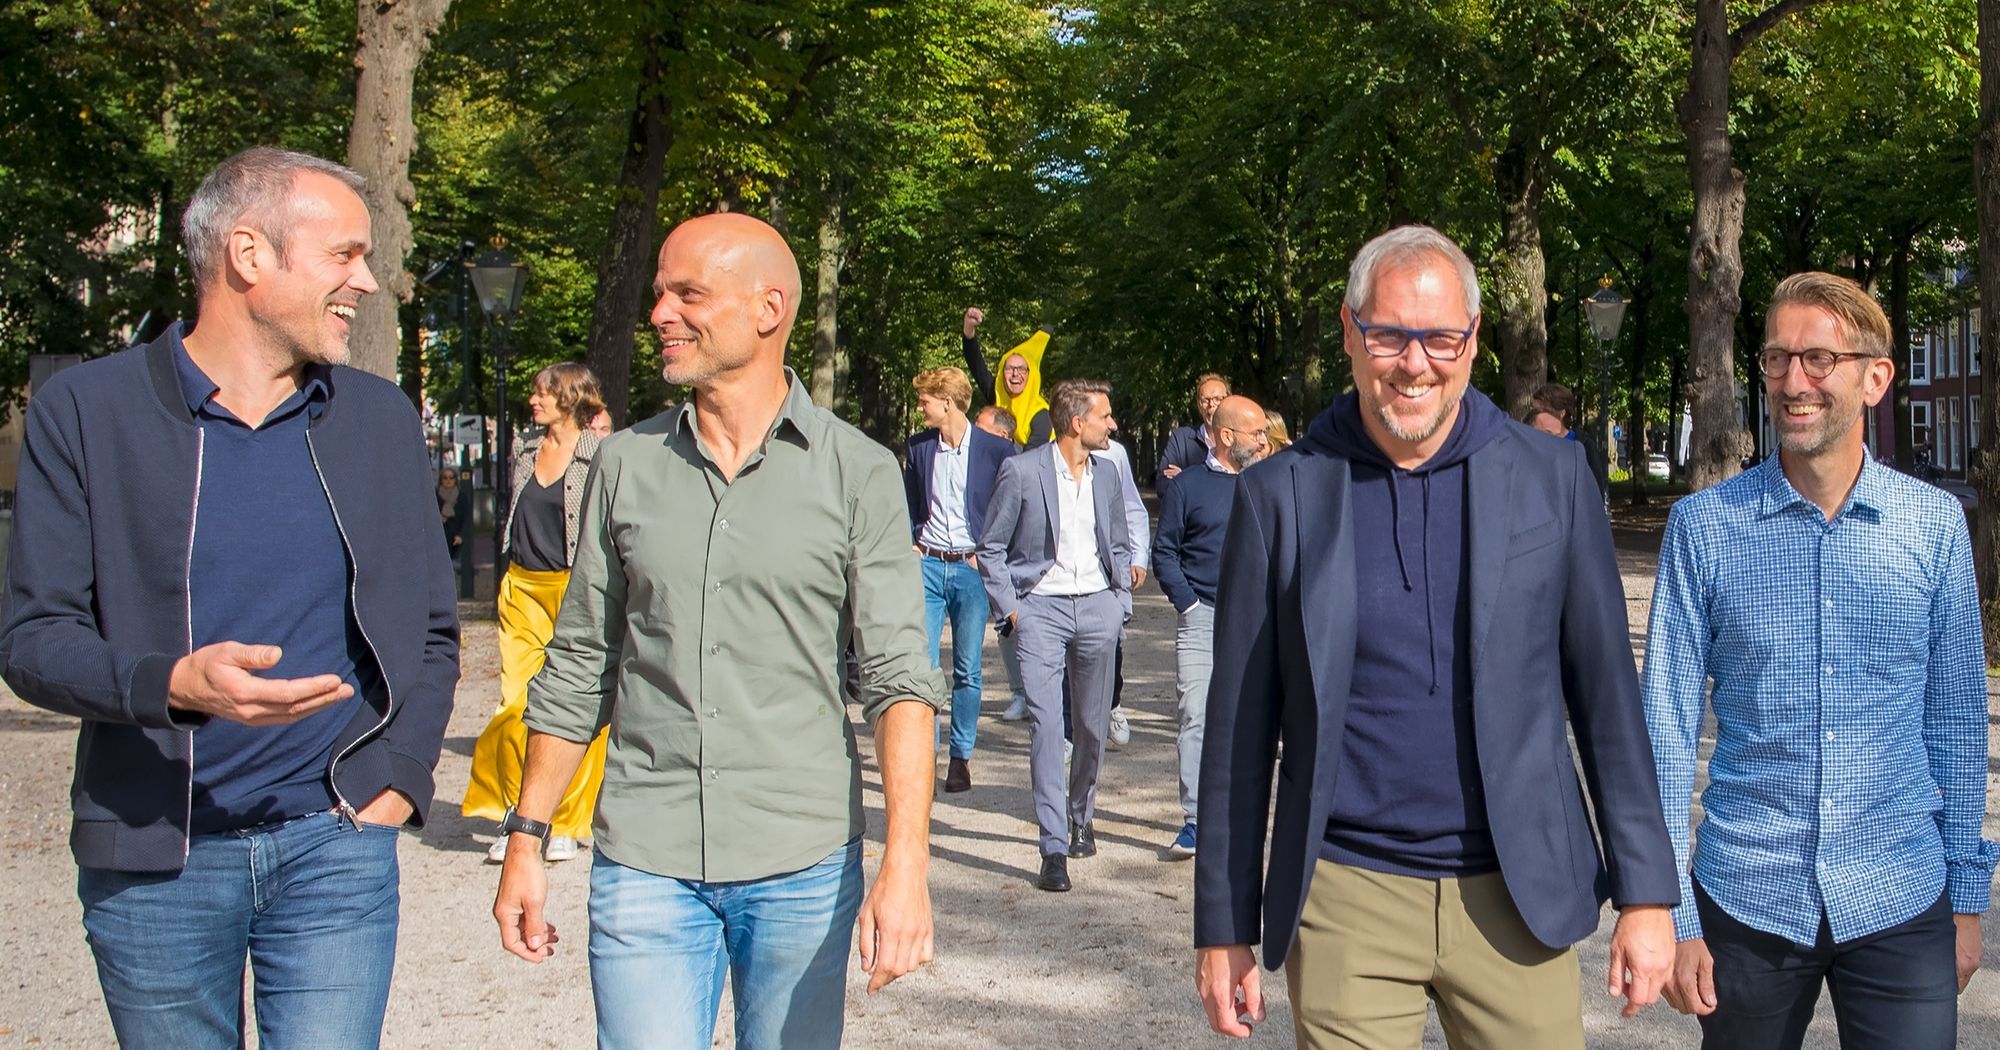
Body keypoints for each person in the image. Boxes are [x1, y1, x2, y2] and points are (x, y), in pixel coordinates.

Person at [0, 146, 459, 1047]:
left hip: (335, 845)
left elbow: (433, 632)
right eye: (344, 255)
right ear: (248, 254)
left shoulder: (379, 419)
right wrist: (173, 684)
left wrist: (400, 775)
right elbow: (33, 637)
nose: (367, 282)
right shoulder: (85, 411)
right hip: (153, 856)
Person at [1193, 225, 1678, 1047]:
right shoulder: (1281, 496)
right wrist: (1223, 924)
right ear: (1351, 334)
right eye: (1388, 335)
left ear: (1473, 339)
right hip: (1347, 894)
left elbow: (1607, 699)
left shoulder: (1551, 479)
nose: (1415, 364)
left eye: (1440, 338)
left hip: (1517, 892)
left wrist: (1647, 892)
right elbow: (1239, 729)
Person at [492, 212, 943, 1049]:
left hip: (802, 861)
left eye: (687, 294)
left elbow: (898, 678)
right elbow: (581, 660)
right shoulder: (624, 464)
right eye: (659, 292)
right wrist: (527, 834)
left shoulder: (859, 471)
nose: (659, 313)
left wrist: (906, 863)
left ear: (769, 309)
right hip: (645, 855)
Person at [1644, 271, 1996, 1050]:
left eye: (1818, 360)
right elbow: (1663, 729)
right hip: (1747, 896)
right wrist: (1672, 911)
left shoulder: (1934, 527)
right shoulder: (1705, 529)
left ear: (1876, 378)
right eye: (1777, 359)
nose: (1793, 381)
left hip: (1900, 893)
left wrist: (1967, 899)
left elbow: (1957, 720)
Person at [977, 379, 1132, 894]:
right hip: (1039, 610)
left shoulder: (1107, 474)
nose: (1112, 425)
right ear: (1076, 423)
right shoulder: (1022, 471)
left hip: (1097, 608)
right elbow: (991, 547)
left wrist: (1119, 604)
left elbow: (1118, 542)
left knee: (1091, 725)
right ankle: (1053, 846)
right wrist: (1013, 610)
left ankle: (1081, 814)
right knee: (1047, 726)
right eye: (1105, 416)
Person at [463, 362, 608, 863]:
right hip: (522, 589)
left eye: (544, 392)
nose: (533, 399)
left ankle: (566, 820)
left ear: (570, 397)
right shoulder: (524, 449)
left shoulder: (599, 453)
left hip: (572, 590)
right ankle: (519, 815)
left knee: (577, 705)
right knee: (515, 707)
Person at [1153, 394, 1266, 857]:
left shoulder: (1269, 484)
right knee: (1196, 716)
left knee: (1252, 720)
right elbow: (1165, 551)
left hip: (1256, 622)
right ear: (1226, 436)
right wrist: (1188, 604)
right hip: (1201, 618)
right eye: (1256, 433)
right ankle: (1197, 820)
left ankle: (1242, 816)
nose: (1263, 441)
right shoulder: (1188, 487)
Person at [903, 365, 1013, 793]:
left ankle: (960, 757)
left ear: (946, 402)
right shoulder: (919, 448)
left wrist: (990, 555)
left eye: (925, 401)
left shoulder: (994, 450)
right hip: (928, 565)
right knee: (923, 667)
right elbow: (911, 502)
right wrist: (912, 544)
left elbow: (1010, 506)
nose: (920, 408)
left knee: (967, 668)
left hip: (971, 569)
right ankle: (925, 756)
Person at [960, 306, 1053, 447]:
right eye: (1009, 369)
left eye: (1021, 369)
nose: (1015, 374)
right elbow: (976, 364)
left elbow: (1034, 456)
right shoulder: (997, 393)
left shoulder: (1041, 414)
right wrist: (969, 327)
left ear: (1031, 375)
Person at [1157, 373, 1231, 483]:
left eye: (1217, 399)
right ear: (1198, 405)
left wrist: (1185, 478)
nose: (1211, 404)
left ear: (1229, 401)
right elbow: (1164, 484)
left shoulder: (1241, 439)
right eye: (1205, 400)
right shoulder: (1181, 439)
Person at [439, 463, 472, 560]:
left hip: (456, 539)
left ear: (455, 480)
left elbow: (466, 518)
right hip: (440, 537)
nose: (448, 480)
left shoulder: (461, 497)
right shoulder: (435, 497)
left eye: (451, 477)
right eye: (445, 478)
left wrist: (461, 535)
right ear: (441, 480)